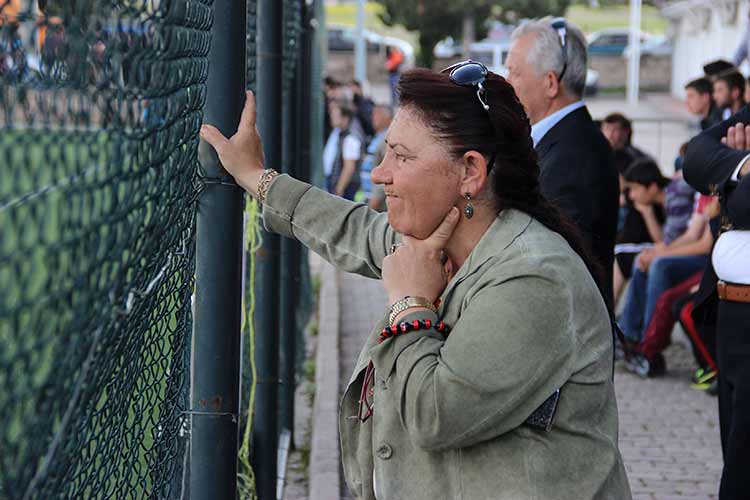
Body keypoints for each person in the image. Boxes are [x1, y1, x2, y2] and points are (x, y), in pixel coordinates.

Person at [200, 64, 632, 499]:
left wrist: (410, 302)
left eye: (402, 157)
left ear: (470, 172)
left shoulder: (535, 278)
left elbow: (436, 413)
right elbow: (357, 230)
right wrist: (258, 178)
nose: (379, 174)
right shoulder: (443, 240)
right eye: (385, 152)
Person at [506, 17, 620, 307]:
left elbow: (547, 263)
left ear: (550, 83)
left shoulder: (576, 154)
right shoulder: (569, 140)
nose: (507, 83)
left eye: (514, 72)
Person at [684, 112, 750, 500]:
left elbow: (744, 207)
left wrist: (730, 183)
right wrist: (742, 164)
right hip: (730, 314)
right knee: (734, 453)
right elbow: (696, 156)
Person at [613, 159, 668, 303]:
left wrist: (648, 213)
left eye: (635, 189)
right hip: (635, 246)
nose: (631, 195)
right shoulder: (636, 198)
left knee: (622, 255)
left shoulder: (669, 200)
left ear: (652, 187)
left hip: (658, 249)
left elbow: (663, 241)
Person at [323, 99, 362, 200]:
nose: (331, 116)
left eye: (335, 113)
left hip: (347, 189)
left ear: (344, 116)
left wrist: (339, 190)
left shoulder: (351, 137)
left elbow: (349, 168)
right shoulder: (340, 133)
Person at [357, 104, 392, 210]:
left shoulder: (388, 140)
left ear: (388, 117)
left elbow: (386, 173)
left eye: (377, 114)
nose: (373, 117)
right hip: (368, 197)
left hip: (377, 204)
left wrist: (374, 202)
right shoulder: (378, 137)